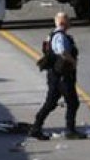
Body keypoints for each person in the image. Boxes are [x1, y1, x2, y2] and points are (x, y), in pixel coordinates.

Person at [30, 12, 86, 140]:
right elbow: (62, 51)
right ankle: (70, 130)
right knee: (73, 102)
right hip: (62, 76)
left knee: (50, 103)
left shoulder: (51, 35)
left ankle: (36, 127)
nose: (70, 22)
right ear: (62, 22)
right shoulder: (60, 36)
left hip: (54, 75)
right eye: (68, 20)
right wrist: (73, 61)